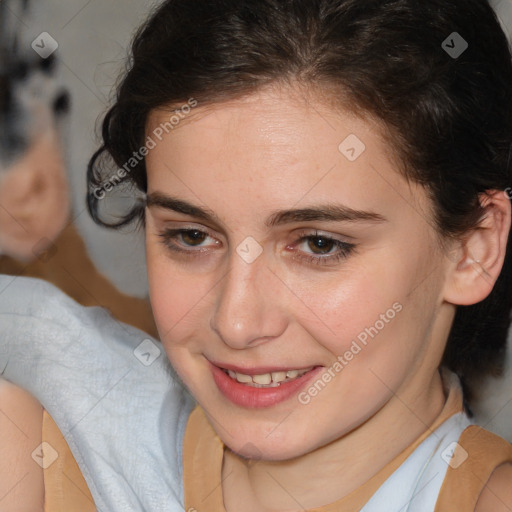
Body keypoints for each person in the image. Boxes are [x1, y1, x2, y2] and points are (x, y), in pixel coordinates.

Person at [1, 0, 512, 510]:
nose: (237, 323)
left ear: (473, 249)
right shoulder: (45, 434)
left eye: (319, 244)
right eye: (192, 236)